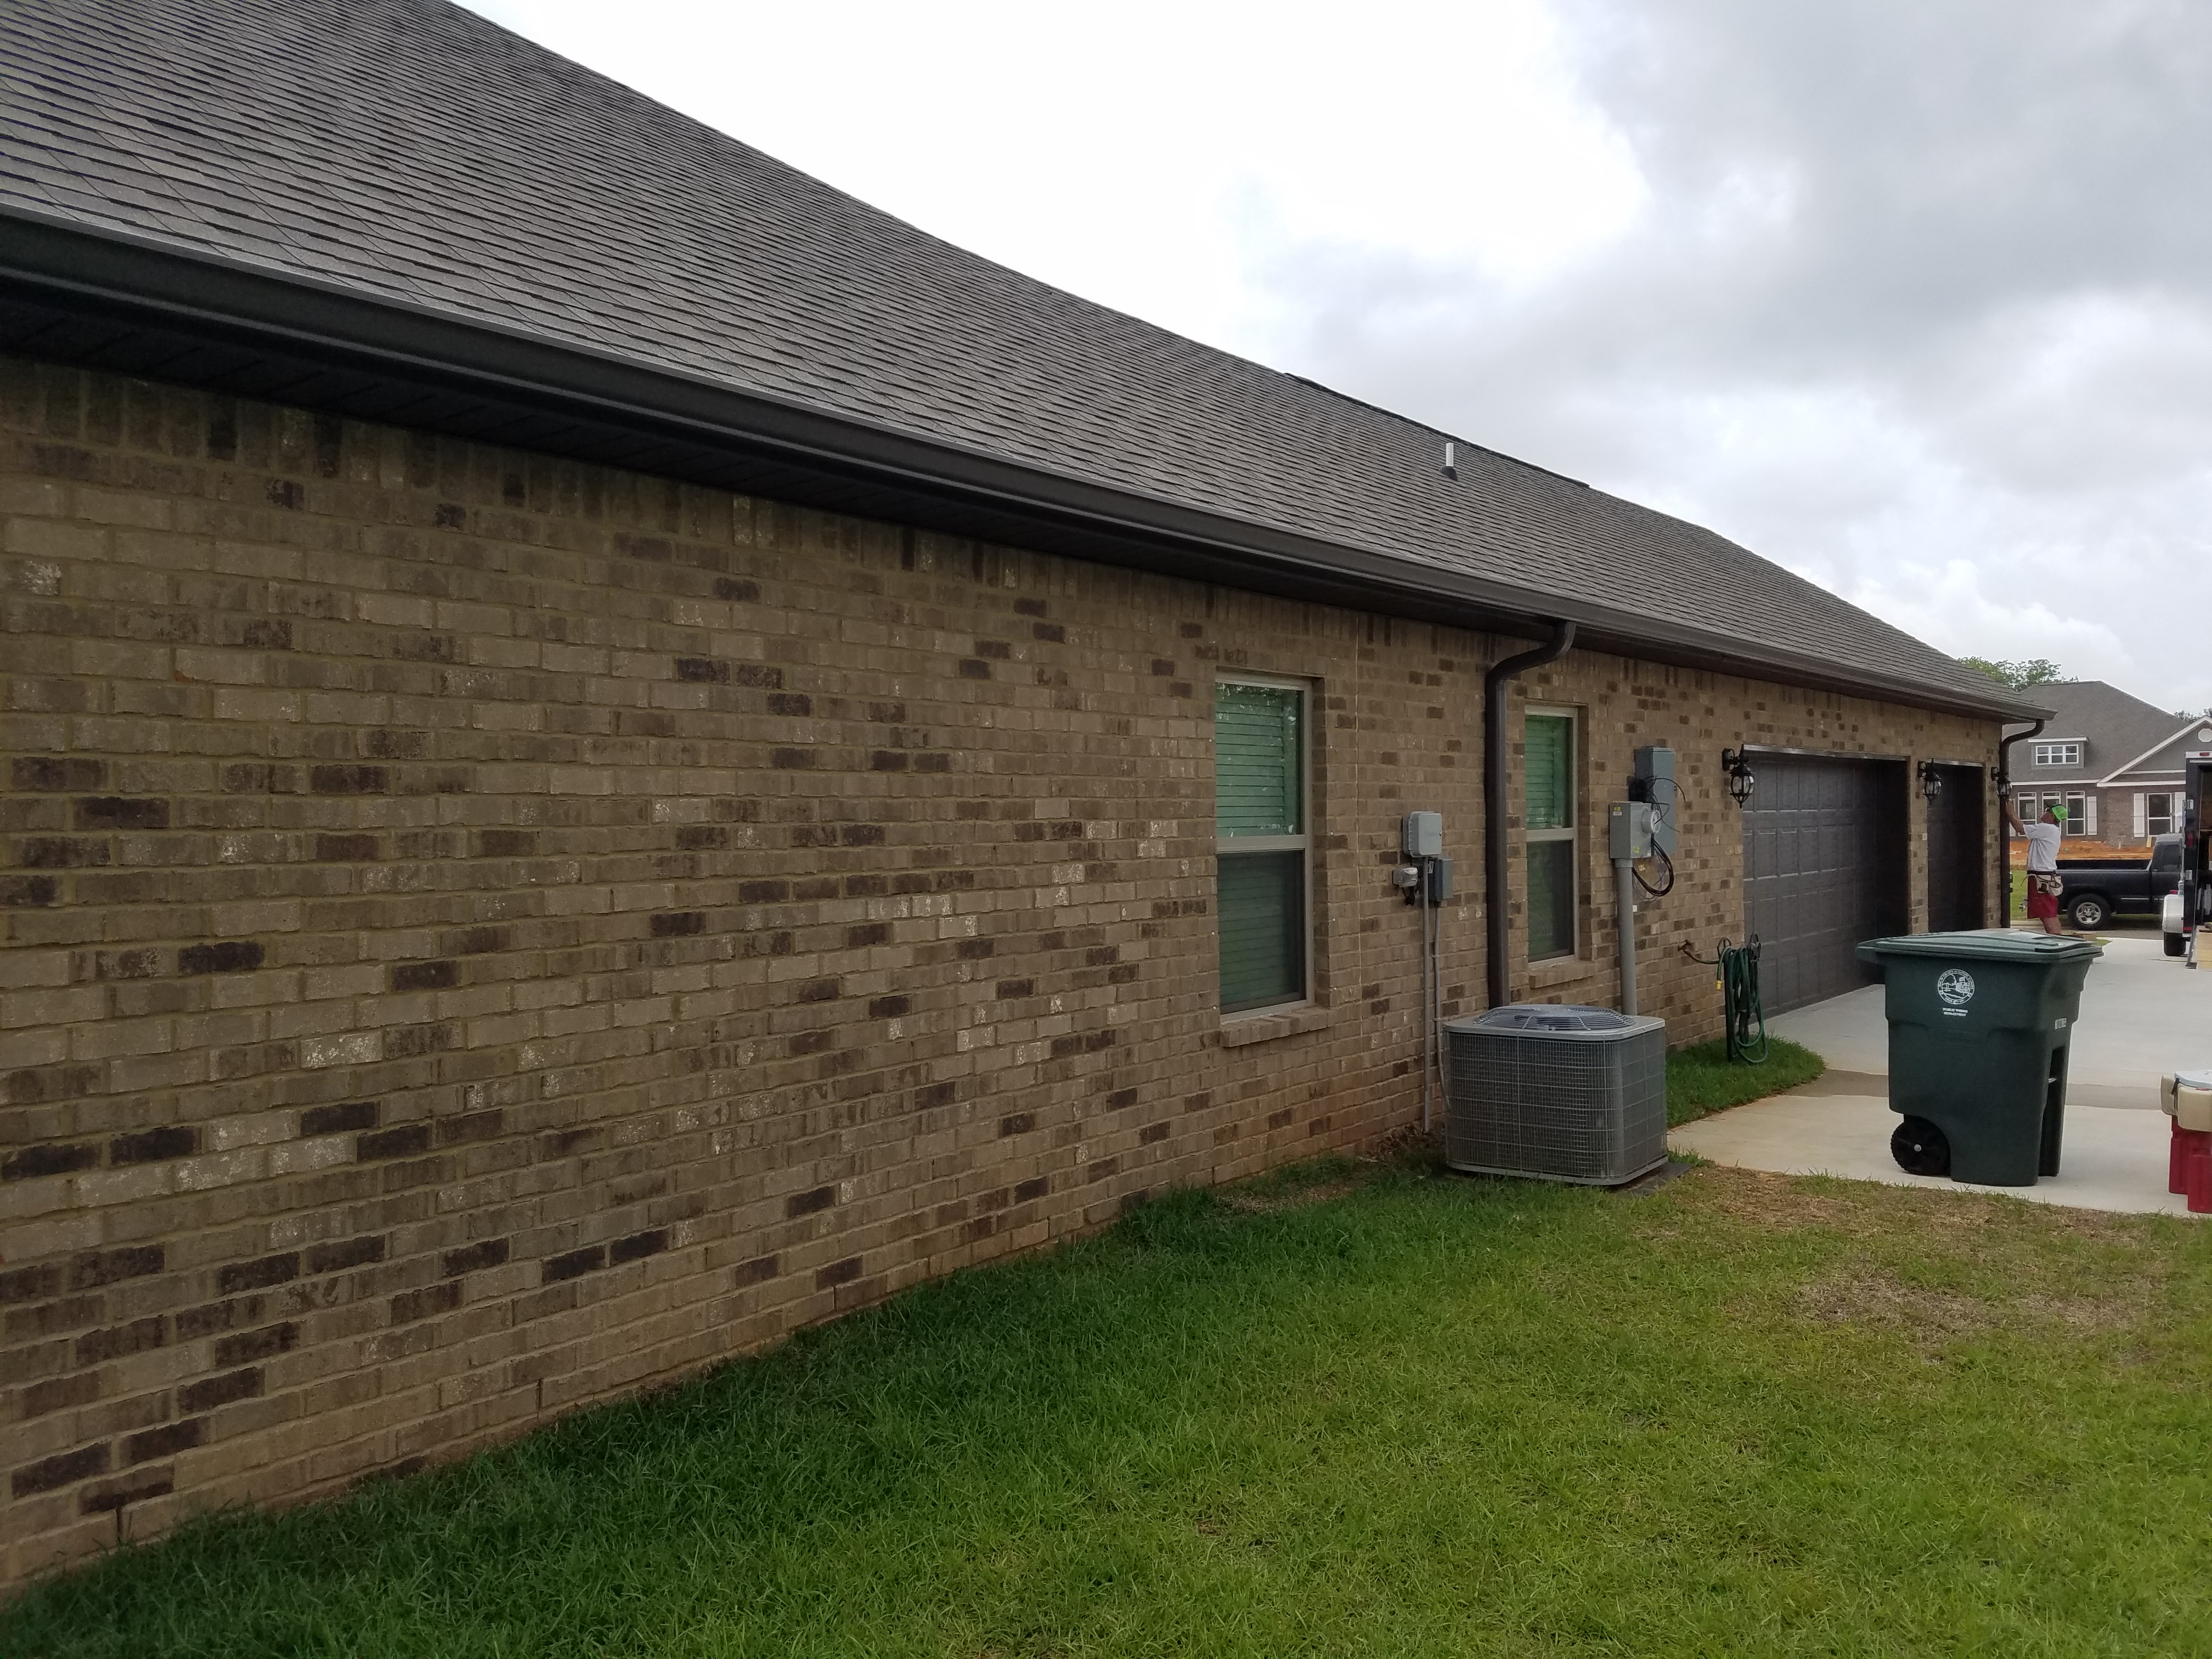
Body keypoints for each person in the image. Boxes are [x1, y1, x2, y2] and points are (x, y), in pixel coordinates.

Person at [2005, 798, 2068, 934]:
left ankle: (2056, 941)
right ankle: (2056, 939)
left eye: (2047, 811)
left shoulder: (2047, 828)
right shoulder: (2051, 830)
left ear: (2052, 816)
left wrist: (2010, 811)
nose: (2043, 813)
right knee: (2047, 912)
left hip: (2042, 878)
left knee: (2047, 914)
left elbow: (2020, 828)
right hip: (2045, 876)